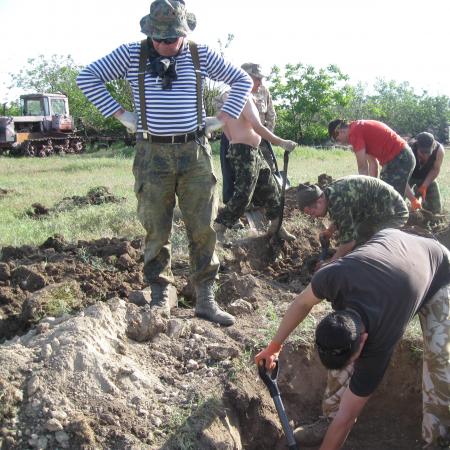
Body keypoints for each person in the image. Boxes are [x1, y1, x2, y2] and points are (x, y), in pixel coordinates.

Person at [77, 0, 253, 326]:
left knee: (202, 227)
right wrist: (122, 115)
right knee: (156, 228)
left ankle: (205, 299)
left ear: (184, 33)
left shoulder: (199, 55)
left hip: (194, 154)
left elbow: (242, 80)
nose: (163, 44)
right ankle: (160, 295)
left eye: (170, 39)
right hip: (151, 154)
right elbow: (87, 78)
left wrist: (224, 118)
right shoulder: (132, 54)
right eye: (157, 38)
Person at [256, 228, 450, 449]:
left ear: (365, 341)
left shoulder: (382, 341)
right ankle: (329, 418)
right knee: (338, 352)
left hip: (438, 269)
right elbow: (302, 303)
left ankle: (438, 440)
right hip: (391, 245)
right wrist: (273, 347)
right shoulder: (333, 277)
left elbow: (348, 417)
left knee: (441, 364)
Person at [212, 88, 297, 242]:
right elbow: (257, 126)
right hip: (244, 152)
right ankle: (219, 228)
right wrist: (281, 142)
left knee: (271, 187)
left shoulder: (231, 97)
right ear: (247, 78)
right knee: (244, 195)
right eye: (256, 79)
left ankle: (277, 227)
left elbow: (224, 124)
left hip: (252, 151)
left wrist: (234, 140)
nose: (260, 84)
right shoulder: (241, 96)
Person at [297, 175, 409, 262]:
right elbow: (346, 215)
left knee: (363, 250)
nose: (313, 216)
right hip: (375, 212)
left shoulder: (338, 201)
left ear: (319, 201)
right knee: (358, 239)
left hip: (394, 214)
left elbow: (348, 243)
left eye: (311, 212)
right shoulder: (330, 195)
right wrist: (330, 231)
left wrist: (330, 263)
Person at [218, 63, 278, 205]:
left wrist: (266, 136)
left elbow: (271, 115)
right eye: (256, 78)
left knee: (267, 175)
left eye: (260, 78)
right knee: (232, 175)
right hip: (235, 141)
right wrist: (232, 139)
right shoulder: (229, 94)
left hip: (261, 140)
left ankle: (261, 206)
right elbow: (221, 120)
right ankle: (232, 209)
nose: (260, 82)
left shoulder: (264, 91)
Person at [328, 119, 415, 197]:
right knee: (384, 193)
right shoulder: (357, 128)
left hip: (399, 158)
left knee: (388, 199)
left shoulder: (354, 132)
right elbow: (373, 164)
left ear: (339, 131)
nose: (340, 143)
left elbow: (362, 168)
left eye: (337, 139)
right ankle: (414, 205)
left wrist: (364, 192)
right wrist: (371, 190)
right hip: (404, 156)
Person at [406, 132, 444, 213]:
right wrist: (412, 199)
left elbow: (435, 169)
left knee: (435, 208)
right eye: (422, 152)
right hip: (407, 176)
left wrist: (424, 186)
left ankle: (430, 217)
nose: (425, 156)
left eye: (428, 152)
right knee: (395, 200)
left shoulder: (439, 151)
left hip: (426, 176)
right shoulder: (408, 149)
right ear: (416, 145)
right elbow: (401, 178)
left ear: (433, 146)